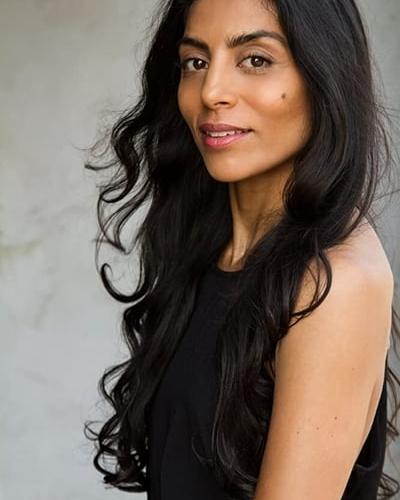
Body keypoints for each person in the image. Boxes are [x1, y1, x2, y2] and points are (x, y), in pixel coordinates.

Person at [85, 0, 400, 499]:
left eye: (255, 59)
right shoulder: (210, 249)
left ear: (325, 76)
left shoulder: (335, 280)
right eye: (195, 61)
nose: (212, 91)